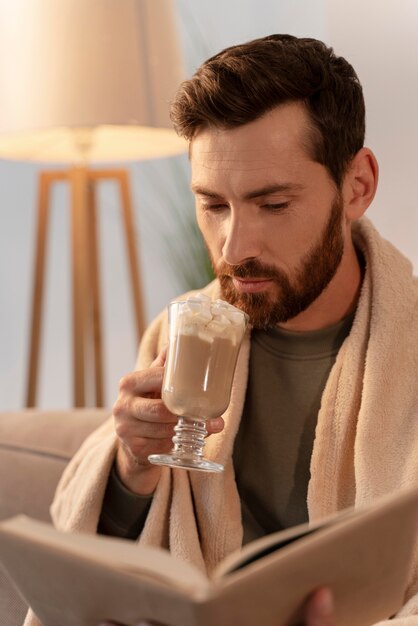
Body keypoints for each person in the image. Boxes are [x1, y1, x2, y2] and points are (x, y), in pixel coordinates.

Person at [24, 34, 418, 626]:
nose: (235, 248)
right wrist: (133, 469)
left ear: (356, 185)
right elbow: (105, 573)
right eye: (213, 205)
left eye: (273, 204)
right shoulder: (179, 335)